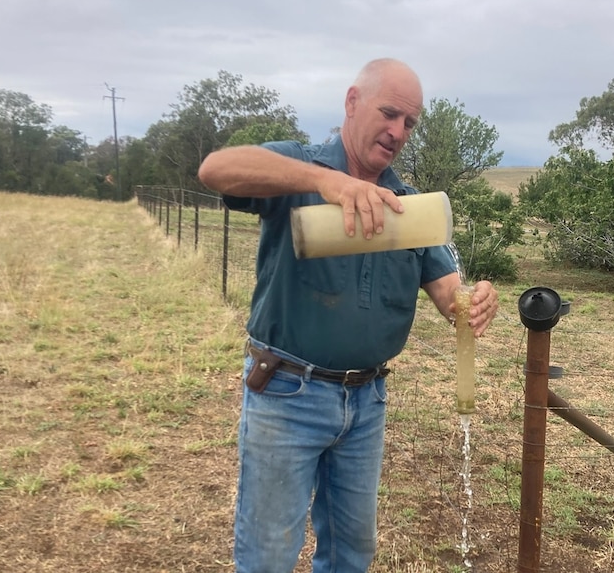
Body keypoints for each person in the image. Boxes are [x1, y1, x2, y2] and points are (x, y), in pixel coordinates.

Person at [198, 58, 498, 573]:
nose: (398, 131)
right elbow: (215, 170)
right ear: (353, 102)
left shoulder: (408, 205)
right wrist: (326, 182)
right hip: (287, 395)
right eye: (389, 113)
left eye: (410, 123)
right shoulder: (300, 167)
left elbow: (450, 292)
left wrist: (469, 303)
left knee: (351, 554)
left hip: (367, 403)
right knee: (269, 555)